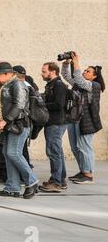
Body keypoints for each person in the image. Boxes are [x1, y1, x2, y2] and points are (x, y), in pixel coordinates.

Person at [0, 62, 39, 199]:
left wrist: (5, 120)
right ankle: (12, 187)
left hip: (19, 124)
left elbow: (19, 104)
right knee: (8, 153)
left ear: (7, 74)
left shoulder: (18, 84)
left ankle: (32, 181)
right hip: (11, 125)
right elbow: (8, 103)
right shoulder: (8, 85)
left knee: (13, 153)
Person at [62, 53, 105, 184]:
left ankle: (88, 174)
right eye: (85, 70)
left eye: (88, 71)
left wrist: (76, 62)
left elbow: (79, 79)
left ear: (94, 76)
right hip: (74, 118)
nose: (85, 72)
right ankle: (83, 171)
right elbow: (66, 76)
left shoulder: (93, 86)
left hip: (87, 121)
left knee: (84, 147)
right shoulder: (79, 84)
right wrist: (66, 63)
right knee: (76, 147)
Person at [39, 62, 69, 192]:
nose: (42, 73)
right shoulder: (52, 85)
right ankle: (59, 179)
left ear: (53, 72)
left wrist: (42, 104)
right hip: (53, 122)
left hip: (56, 123)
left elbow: (59, 105)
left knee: (54, 152)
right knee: (57, 152)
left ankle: (57, 182)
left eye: (44, 71)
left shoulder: (59, 85)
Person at [12, 65, 35, 169]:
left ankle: (27, 177)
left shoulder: (21, 86)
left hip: (22, 121)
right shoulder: (29, 84)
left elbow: (20, 105)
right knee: (21, 149)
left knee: (18, 152)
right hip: (27, 120)